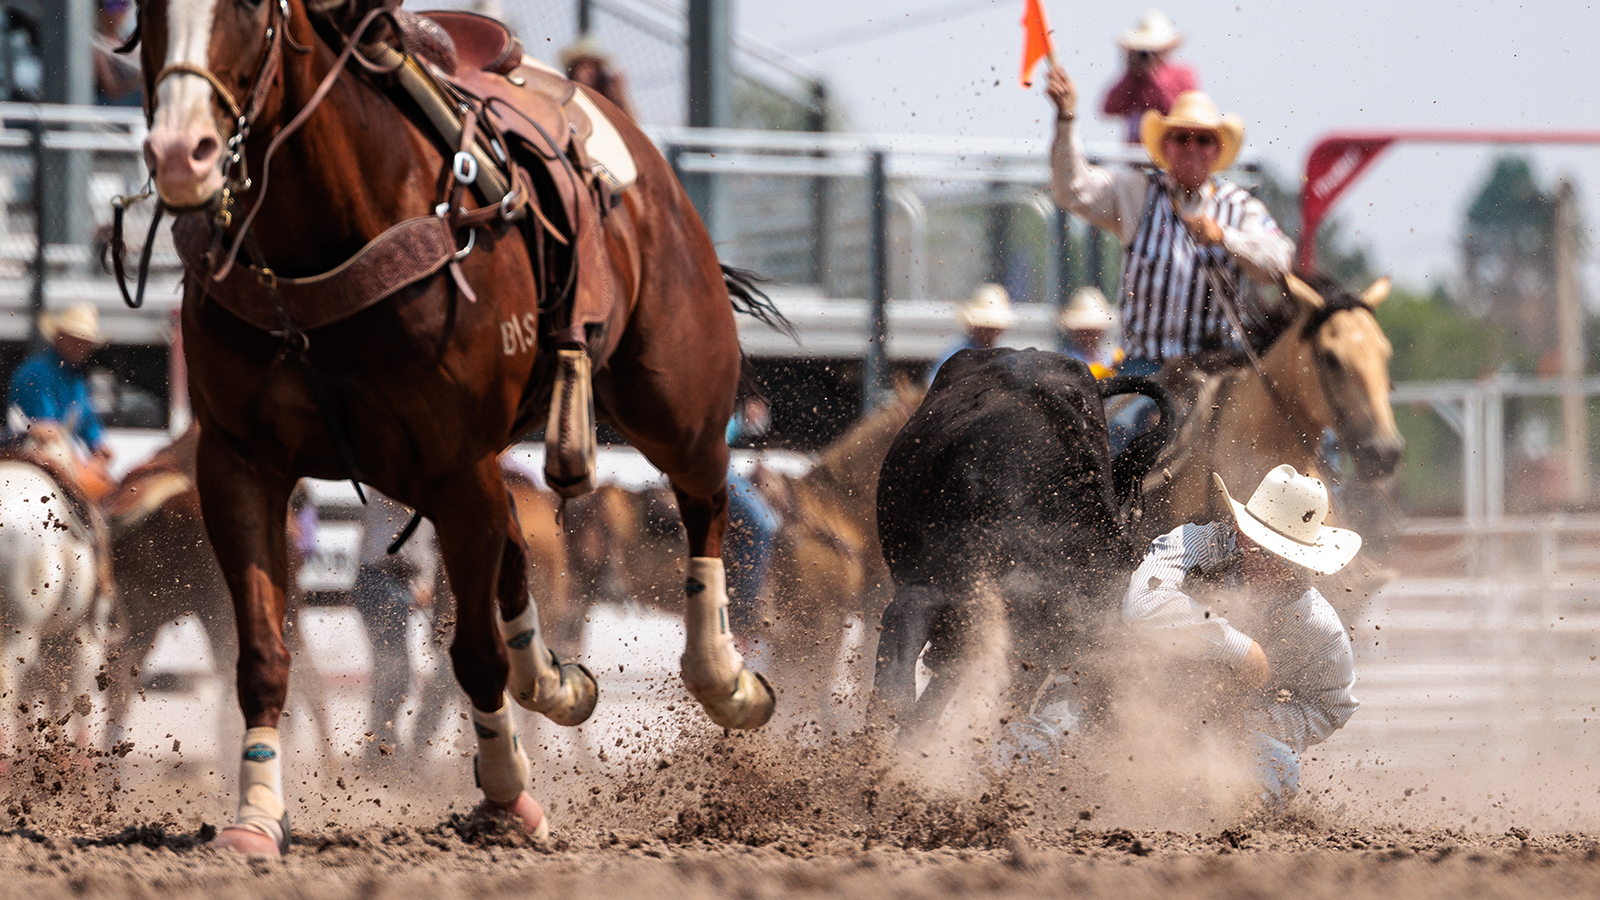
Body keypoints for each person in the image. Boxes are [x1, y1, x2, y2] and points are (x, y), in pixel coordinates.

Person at [1047, 69, 1293, 451]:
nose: (1192, 146)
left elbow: (1278, 261)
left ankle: (1337, 501)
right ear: (1168, 146)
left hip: (1220, 370)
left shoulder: (1240, 208)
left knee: (1295, 427)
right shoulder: (1137, 193)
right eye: (1182, 137)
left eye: (1204, 139)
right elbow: (1072, 189)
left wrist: (1227, 238)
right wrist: (1066, 119)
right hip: (1147, 370)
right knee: (1114, 439)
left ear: (1216, 150)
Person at [1120, 464, 1361, 805]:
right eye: (1263, 549)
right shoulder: (1194, 544)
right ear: (1240, 531)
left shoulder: (1317, 625)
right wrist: (1239, 647)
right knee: (1050, 734)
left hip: (1218, 730)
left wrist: (1249, 720)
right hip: (1122, 693)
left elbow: (1333, 705)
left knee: (1280, 765)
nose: (1272, 564)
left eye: (1286, 557)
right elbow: (1143, 604)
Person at [349, 490, 439, 760]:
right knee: (394, 668)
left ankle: (381, 743)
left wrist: (425, 581)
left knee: (394, 668)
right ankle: (381, 746)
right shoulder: (392, 479)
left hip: (393, 578)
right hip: (380, 576)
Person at [9, 304, 114, 473]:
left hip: (62, 451)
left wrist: (98, 445)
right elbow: (46, 426)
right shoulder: (35, 372)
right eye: (75, 340)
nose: (80, 347)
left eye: (85, 342)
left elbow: (87, 420)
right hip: (27, 449)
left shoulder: (76, 378)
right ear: (59, 337)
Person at [724, 396, 779, 636]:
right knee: (764, 523)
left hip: (711, 465)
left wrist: (741, 420)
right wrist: (742, 418)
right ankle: (745, 612)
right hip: (710, 469)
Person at [1100, 10, 1199, 144]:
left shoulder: (1183, 74)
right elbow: (1109, 108)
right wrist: (1131, 73)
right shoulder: (1133, 79)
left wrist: (1153, 75)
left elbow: (1176, 112)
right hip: (1135, 157)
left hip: (1170, 153)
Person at [928, 284, 1016, 384]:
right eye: (986, 328)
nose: (989, 334)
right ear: (975, 327)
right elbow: (934, 386)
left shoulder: (1006, 356)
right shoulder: (956, 354)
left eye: (993, 329)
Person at [560, 36, 637, 120]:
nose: (588, 72)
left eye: (592, 66)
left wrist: (619, 94)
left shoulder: (606, 97)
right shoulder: (564, 95)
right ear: (574, 69)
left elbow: (631, 123)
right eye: (583, 66)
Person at [1058, 286, 1120, 378]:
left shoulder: (1111, 355)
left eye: (1094, 329)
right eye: (1084, 330)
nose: (1089, 334)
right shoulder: (1066, 358)